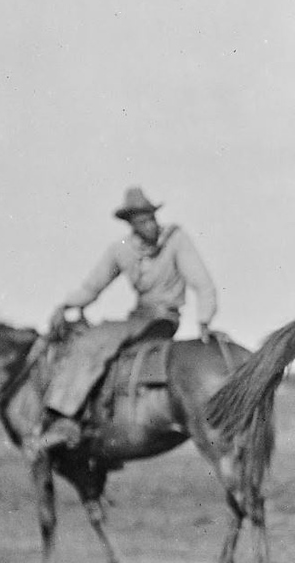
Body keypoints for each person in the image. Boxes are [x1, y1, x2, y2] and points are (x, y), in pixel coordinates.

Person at [36, 187, 218, 452]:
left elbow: (202, 282)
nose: (150, 225)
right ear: (131, 224)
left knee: (93, 341)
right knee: (85, 337)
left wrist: (204, 319)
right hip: (139, 316)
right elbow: (92, 286)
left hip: (163, 318)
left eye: (152, 218)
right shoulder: (122, 249)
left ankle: (64, 417)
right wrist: (66, 304)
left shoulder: (176, 239)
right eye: (142, 221)